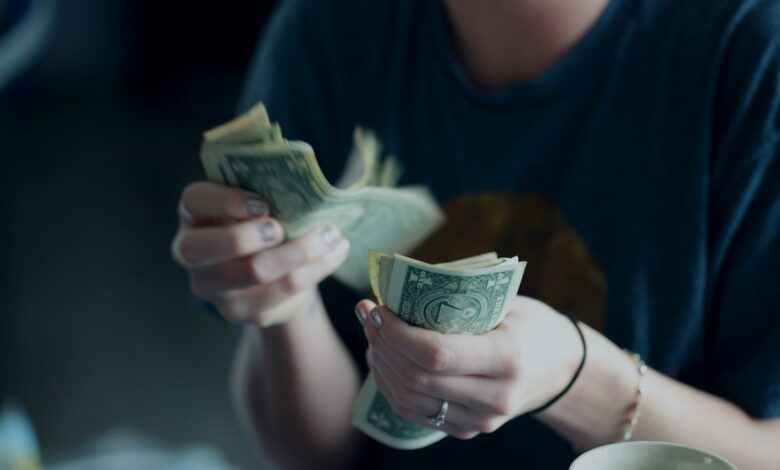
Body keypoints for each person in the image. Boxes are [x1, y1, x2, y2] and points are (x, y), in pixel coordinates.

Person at [171, 0, 780, 468]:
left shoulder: (750, 52)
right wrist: (282, 305)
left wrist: (580, 379)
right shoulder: (330, 26)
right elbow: (320, 456)